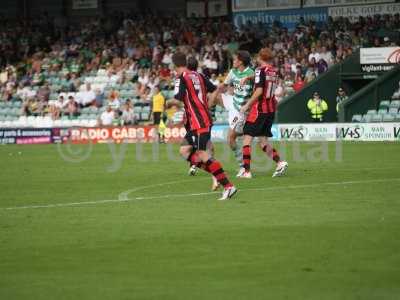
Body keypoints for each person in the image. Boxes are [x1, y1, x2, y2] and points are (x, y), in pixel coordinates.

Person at [172, 52, 237, 201]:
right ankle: (217, 175)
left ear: (175, 65)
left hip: (199, 122)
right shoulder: (199, 76)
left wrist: (169, 103)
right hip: (198, 121)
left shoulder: (181, 78)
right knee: (184, 151)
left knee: (202, 153)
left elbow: (178, 98)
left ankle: (228, 186)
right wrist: (209, 103)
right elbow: (214, 89)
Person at [238, 48, 288, 178]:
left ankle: (246, 171)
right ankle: (280, 163)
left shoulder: (260, 70)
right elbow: (261, 77)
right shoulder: (273, 71)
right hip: (270, 110)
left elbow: (259, 90)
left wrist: (247, 105)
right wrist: (248, 77)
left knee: (246, 140)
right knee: (263, 142)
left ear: (260, 57)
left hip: (259, 110)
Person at [215, 50, 255, 167]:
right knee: (213, 96)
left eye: (235, 59)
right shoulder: (233, 72)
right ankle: (209, 118)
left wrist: (248, 78)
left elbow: (258, 80)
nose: (233, 61)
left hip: (242, 110)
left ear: (241, 61)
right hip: (233, 102)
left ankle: (243, 164)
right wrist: (215, 87)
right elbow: (224, 85)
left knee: (230, 138)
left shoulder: (251, 73)